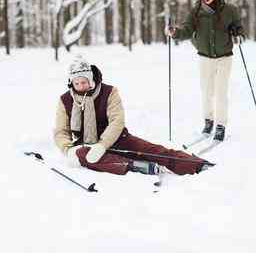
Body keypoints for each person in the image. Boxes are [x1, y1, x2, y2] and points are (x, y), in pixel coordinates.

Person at [54, 55, 211, 176]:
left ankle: (197, 164)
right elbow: (61, 131)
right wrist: (68, 149)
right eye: (77, 83)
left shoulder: (109, 92)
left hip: (117, 139)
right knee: (82, 156)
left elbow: (117, 121)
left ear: (91, 80)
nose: (81, 86)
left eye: (84, 82)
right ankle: (135, 166)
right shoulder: (65, 100)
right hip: (88, 145)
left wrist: (102, 145)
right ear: (71, 83)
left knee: (152, 150)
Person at [166, 0, 244, 141]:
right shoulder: (196, 11)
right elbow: (187, 30)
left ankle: (221, 125)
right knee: (207, 91)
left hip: (224, 58)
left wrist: (238, 35)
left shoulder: (230, 10)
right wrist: (175, 32)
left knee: (221, 92)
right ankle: (208, 121)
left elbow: (239, 28)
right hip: (204, 58)